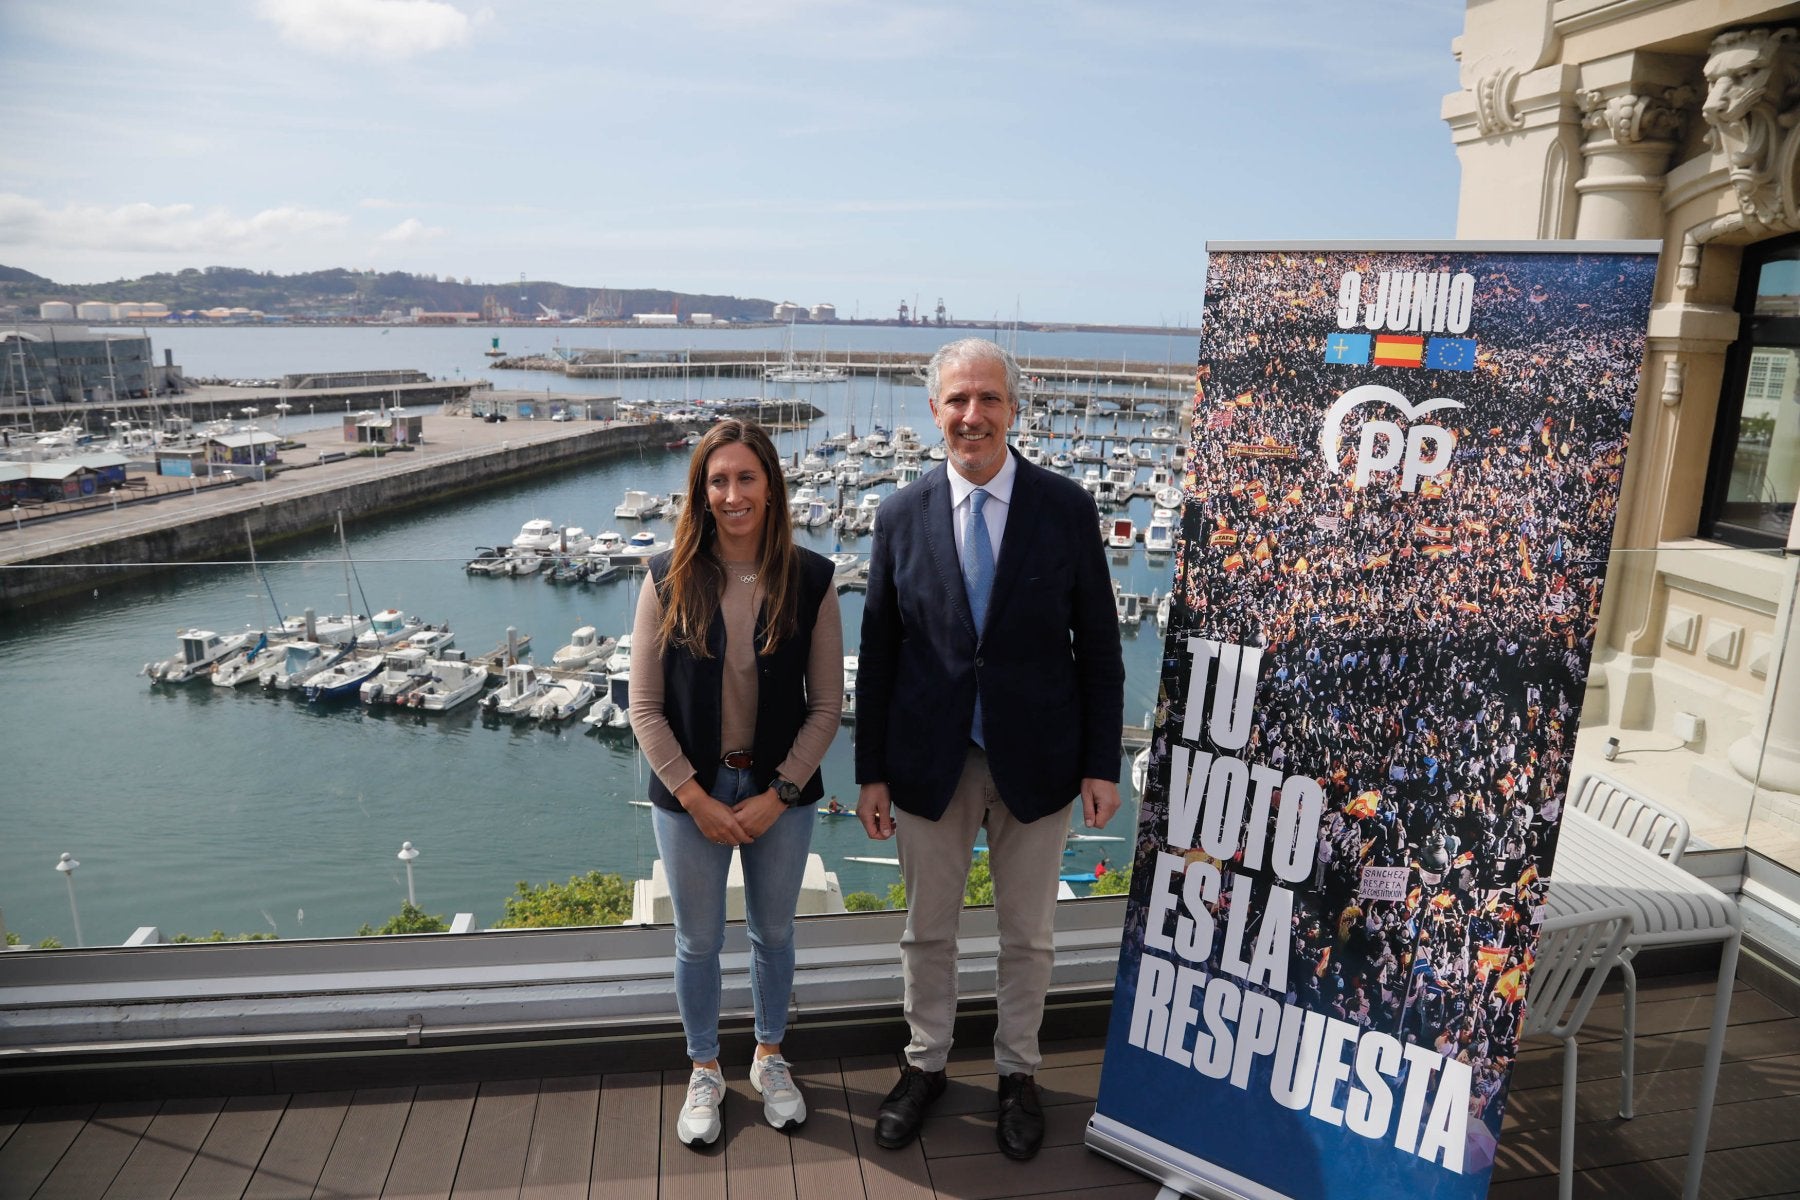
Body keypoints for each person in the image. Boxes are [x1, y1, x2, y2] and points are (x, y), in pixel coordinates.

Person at [855, 338, 1124, 1161]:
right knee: (926, 932)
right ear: (934, 411)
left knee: (1028, 936)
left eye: (988, 400)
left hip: (1039, 761)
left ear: (1014, 408)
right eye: (957, 401)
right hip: (929, 764)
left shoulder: (1066, 507)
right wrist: (869, 770)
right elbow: (881, 652)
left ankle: (1018, 1073)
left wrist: (1101, 762)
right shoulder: (899, 514)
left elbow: (1101, 647)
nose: (972, 416)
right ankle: (925, 1064)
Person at [628, 418, 844, 1148]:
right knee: (697, 941)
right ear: (701, 491)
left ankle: (771, 1056)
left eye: (746, 478)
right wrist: (694, 796)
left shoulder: (812, 579)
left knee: (774, 933)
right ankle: (704, 1068)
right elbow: (645, 707)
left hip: (779, 791)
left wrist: (779, 793)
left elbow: (827, 707)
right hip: (689, 793)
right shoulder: (665, 577)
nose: (732, 494)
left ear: (771, 487)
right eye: (717, 480)